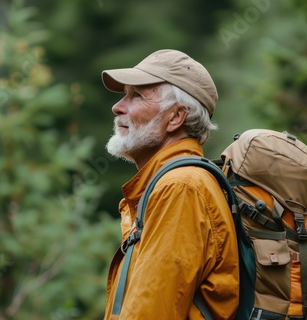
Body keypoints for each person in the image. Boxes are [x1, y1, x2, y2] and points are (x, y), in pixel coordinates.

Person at [101, 49, 240, 319]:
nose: (118, 106)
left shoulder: (181, 188)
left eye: (136, 95)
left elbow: (150, 313)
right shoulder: (175, 183)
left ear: (175, 117)